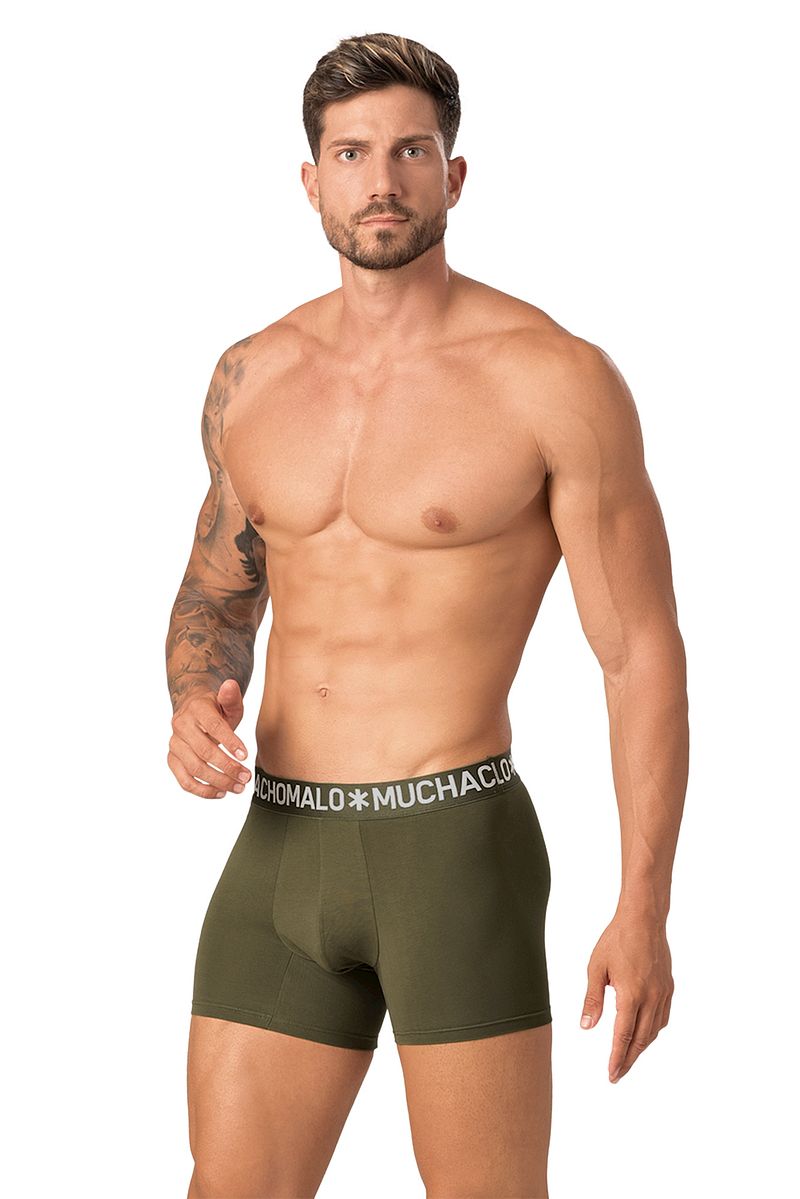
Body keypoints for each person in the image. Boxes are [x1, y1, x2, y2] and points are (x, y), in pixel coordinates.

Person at [165, 30, 689, 1199]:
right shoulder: (252, 376)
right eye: (352, 153)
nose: (381, 180)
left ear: (452, 175)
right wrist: (193, 694)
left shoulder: (551, 378)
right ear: (312, 181)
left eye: (410, 151)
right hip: (279, 847)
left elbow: (636, 653)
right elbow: (216, 590)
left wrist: (642, 904)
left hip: (452, 848)